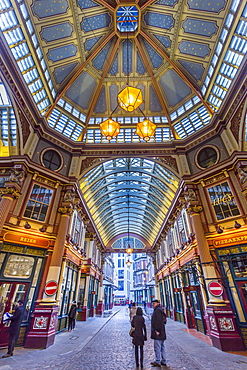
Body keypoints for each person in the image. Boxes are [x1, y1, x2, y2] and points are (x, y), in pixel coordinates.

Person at [150, 299, 167, 367]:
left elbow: (158, 321)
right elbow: (164, 321)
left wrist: (157, 330)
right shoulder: (160, 310)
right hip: (162, 332)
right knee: (162, 347)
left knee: (157, 347)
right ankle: (163, 360)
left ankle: (157, 361)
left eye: (154, 303)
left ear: (157, 303)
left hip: (158, 333)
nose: (153, 305)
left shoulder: (157, 311)